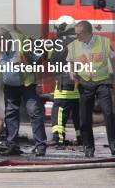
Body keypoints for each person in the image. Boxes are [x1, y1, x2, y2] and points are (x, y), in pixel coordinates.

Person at [0, 27, 47, 156]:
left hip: (27, 84)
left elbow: (38, 59)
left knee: (34, 111)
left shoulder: (22, 45)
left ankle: (40, 146)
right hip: (10, 85)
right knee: (10, 114)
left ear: (6, 40)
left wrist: (40, 82)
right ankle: (12, 145)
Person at [67, 20, 115, 157]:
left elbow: (113, 59)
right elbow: (70, 62)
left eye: (78, 34)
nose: (76, 36)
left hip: (102, 82)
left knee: (108, 113)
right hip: (85, 83)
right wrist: (72, 73)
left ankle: (114, 147)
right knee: (84, 118)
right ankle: (88, 147)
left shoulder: (104, 42)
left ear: (87, 33)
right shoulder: (73, 46)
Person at [48, 16, 81, 146]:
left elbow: (54, 60)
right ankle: (82, 138)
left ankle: (58, 139)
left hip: (66, 83)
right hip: (82, 84)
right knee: (79, 115)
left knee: (59, 111)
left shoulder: (61, 42)